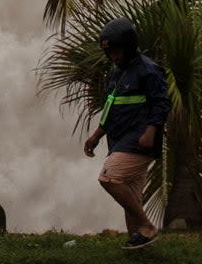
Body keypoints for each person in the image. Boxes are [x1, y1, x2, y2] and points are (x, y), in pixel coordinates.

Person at [82, 17, 171, 250]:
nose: (113, 56)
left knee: (109, 177)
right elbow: (111, 106)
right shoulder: (116, 72)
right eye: (110, 52)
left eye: (117, 51)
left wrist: (150, 132)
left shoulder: (149, 70)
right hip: (120, 139)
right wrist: (97, 135)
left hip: (140, 140)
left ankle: (147, 226)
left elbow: (162, 104)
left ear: (129, 46)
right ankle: (140, 241)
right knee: (131, 195)